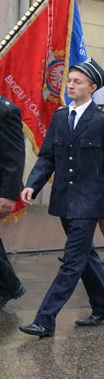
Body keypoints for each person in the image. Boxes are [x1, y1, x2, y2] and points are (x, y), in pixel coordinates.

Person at [19, 59, 104, 337]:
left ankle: (45, 319)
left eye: (77, 82)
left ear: (92, 88)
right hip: (64, 200)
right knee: (85, 257)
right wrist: (32, 185)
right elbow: (48, 156)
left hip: (91, 202)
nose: (70, 86)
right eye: (69, 81)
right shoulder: (61, 117)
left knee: (72, 260)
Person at [0, 93, 26, 310]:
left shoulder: (6, 110)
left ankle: (9, 285)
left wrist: (8, 196)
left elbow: (15, 156)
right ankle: (9, 285)